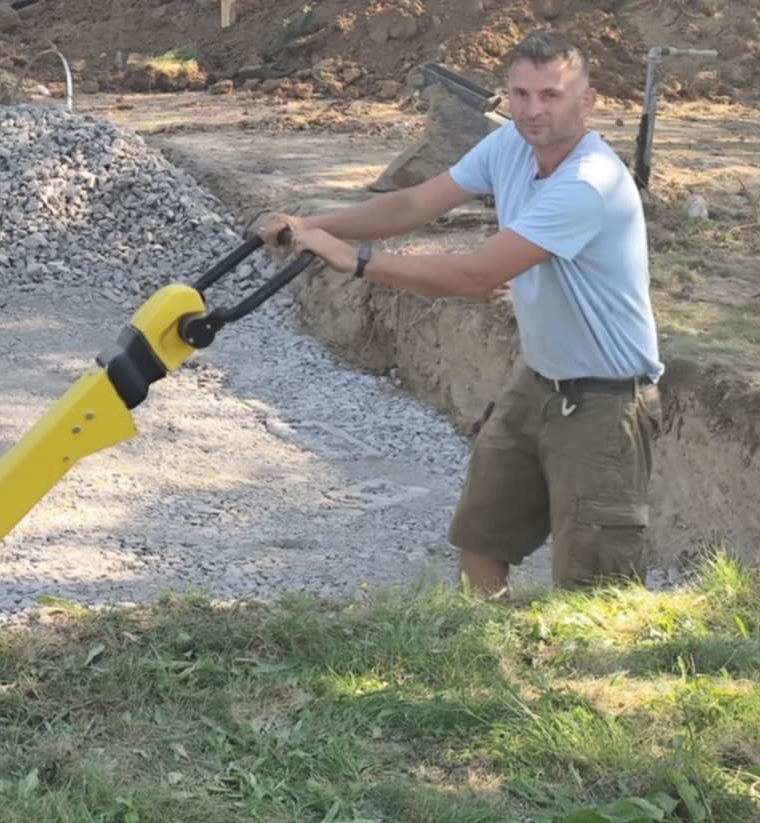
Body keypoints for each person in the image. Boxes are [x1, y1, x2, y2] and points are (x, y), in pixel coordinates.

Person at [256, 31, 663, 598]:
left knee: (595, 585)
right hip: (539, 380)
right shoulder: (511, 148)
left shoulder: (588, 184)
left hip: (605, 400)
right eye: (520, 95)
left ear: (587, 101)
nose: (532, 110)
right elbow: (412, 204)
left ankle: (586, 682)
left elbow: (476, 276)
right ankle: (487, 661)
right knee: (481, 539)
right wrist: (312, 225)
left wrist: (353, 261)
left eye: (550, 95)